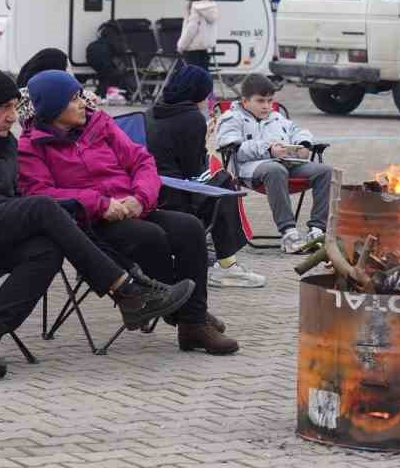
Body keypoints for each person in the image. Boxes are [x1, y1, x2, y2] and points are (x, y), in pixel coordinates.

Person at [0, 62, 195, 375]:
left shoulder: (1, 140)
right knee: (40, 207)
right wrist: (10, 207)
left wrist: (12, 207)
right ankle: (127, 289)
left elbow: (11, 195)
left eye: (14, 107)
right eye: (4, 108)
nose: (13, 117)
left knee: (46, 249)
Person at [19, 70, 238, 354]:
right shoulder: (31, 146)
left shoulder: (100, 123)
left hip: (134, 207)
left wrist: (141, 198)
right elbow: (40, 194)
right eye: (75, 99)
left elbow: (142, 161)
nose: (84, 103)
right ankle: (189, 318)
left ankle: (189, 321)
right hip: (88, 224)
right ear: (53, 107)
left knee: (190, 228)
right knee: (150, 235)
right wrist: (100, 203)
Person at [147, 64, 265, 290]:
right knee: (225, 182)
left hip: (151, 191)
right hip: (176, 197)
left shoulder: (152, 111)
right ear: (199, 92)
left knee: (220, 180)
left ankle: (221, 259)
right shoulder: (191, 118)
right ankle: (227, 264)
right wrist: (203, 140)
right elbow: (194, 171)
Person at [216, 73, 333, 255]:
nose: (267, 106)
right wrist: (268, 149)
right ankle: (289, 233)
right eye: (260, 101)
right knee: (275, 169)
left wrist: (303, 144)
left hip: (285, 164)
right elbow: (234, 148)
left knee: (325, 171)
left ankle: (317, 231)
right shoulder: (231, 118)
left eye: (270, 101)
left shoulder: (276, 117)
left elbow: (297, 130)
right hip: (250, 169)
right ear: (245, 101)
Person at [15, 47, 103, 128]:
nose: (82, 103)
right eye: (66, 68)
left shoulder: (23, 96)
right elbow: (99, 124)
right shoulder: (54, 93)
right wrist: (88, 100)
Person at [84, 26, 135, 102]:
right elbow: (120, 52)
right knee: (118, 74)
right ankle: (126, 95)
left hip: (95, 65)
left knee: (106, 76)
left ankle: (99, 94)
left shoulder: (94, 43)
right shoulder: (112, 41)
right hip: (106, 65)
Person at [176, 0, 219, 70]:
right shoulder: (212, 8)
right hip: (205, 50)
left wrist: (181, 46)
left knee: (193, 78)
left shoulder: (195, 8)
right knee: (202, 77)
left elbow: (191, 30)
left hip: (193, 51)